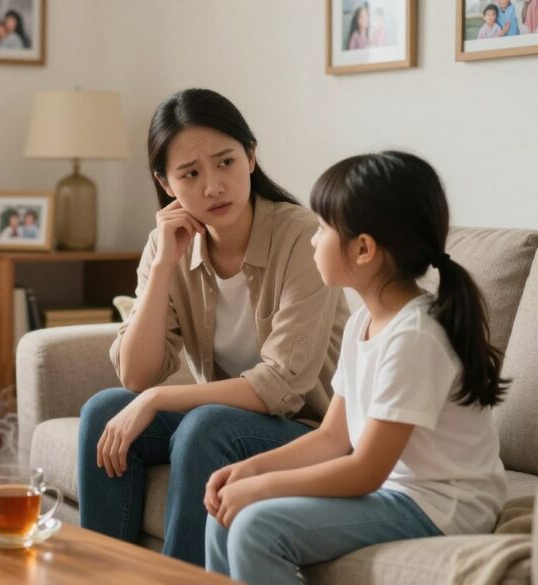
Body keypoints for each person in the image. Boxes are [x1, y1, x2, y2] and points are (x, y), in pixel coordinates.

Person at [203, 151, 508, 584]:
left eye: (324, 228)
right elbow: (332, 437)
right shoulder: (363, 322)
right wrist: (250, 471)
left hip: (441, 504)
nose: (313, 239)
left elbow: (365, 470)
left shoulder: (415, 337)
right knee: (227, 514)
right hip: (397, 493)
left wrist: (264, 487)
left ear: (363, 249)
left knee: (256, 525)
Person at [76, 88, 348, 566]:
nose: (214, 186)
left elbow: (281, 388)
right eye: (191, 174)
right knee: (103, 410)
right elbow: (136, 376)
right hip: (227, 419)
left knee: (206, 426)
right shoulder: (166, 245)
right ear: (165, 183)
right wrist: (163, 267)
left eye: (226, 162)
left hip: (309, 429)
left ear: (251, 155)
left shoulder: (303, 238)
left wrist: (157, 399)